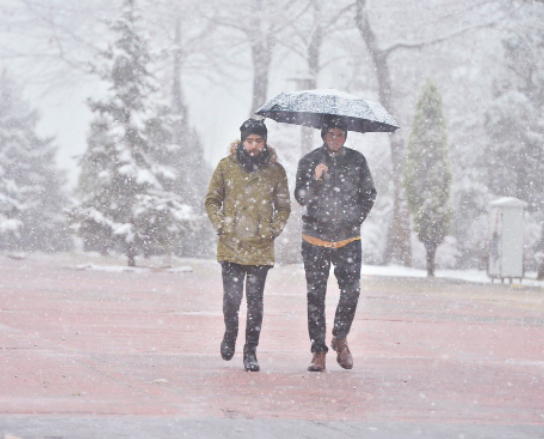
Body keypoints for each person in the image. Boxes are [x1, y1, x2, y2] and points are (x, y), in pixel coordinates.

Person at [205, 119, 291, 372]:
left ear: (265, 142)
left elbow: (284, 206)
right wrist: (222, 225)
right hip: (231, 243)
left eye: (259, 140)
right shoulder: (225, 167)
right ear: (242, 141)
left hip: (260, 246)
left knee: (255, 303)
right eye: (250, 140)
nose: (254, 145)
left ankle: (250, 351)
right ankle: (230, 333)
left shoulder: (275, 171)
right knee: (232, 300)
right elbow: (212, 200)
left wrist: (272, 230)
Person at [294, 116, 377, 372]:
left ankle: (340, 337)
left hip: (347, 239)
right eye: (331, 134)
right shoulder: (309, 161)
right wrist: (316, 180)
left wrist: (353, 219)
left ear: (345, 137)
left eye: (340, 134)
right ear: (323, 135)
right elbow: (300, 197)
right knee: (315, 296)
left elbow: (369, 195)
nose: (335, 138)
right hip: (315, 239)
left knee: (351, 291)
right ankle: (318, 351)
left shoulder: (357, 161)